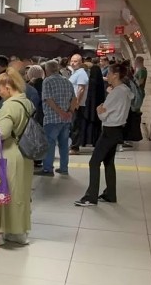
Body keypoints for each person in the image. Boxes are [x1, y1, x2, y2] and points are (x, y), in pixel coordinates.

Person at [75, 63, 134, 207]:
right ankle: (110, 194)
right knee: (108, 162)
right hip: (118, 130)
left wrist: (98, 110)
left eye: (109, 73)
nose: (106, 75)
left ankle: (91, 197)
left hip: (109, 130)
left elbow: (103, 114)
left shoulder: (116, 93)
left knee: (94, 162)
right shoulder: (125, 90)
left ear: (115, 75)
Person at [0, 68, 33, 246]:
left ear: (8, 86)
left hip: (9, 155)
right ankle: (18, 233)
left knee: (3, 194)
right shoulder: (26, 102)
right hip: (25, 153)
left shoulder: (9, 105)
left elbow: (2, 133)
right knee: (20, 195)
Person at [37, 61, 75, 176]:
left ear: (47, 70)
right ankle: (64, 168)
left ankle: (48, 169)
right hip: (66, 120)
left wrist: (60, 112)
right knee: (64, 145)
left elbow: (48, 99)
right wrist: (70, 112)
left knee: (50, 144)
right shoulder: (67, 81)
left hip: (52, 119)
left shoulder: (47, 81)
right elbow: (74, 99)